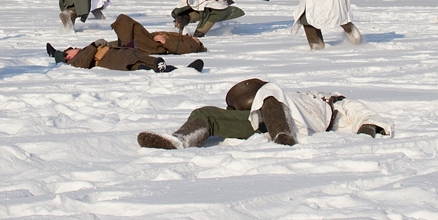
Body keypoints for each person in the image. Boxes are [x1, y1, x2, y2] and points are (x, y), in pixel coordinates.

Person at [137, 78, 393, 149]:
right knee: (205, 112)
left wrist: (367, 131)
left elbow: (366, 118)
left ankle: (283, 135)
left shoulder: (338, 105)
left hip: (304, 122)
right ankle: (180, 139)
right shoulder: (302, 95)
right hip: (265, 116)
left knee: (271, 90)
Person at [46, 39, 204, 73]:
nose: (74, 47)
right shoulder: (75, 62)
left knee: (140, 62)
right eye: (70, 49)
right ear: (68, 57)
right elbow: (82, 62)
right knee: (138, 57)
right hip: (117, 58)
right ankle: (157, 62)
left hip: (119, 57)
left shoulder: (79, 56)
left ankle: (181, 70)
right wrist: (95, 44)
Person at [109, 13, 206, 55]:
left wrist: (165, 42)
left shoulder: (193, 45)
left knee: (125, 21)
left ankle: (126, 45)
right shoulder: (187, 39)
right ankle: (122, 45)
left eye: (198, 40)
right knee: (127, 28)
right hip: (150, 38)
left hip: (153, 44)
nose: (196, 39)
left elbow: (182, 48)